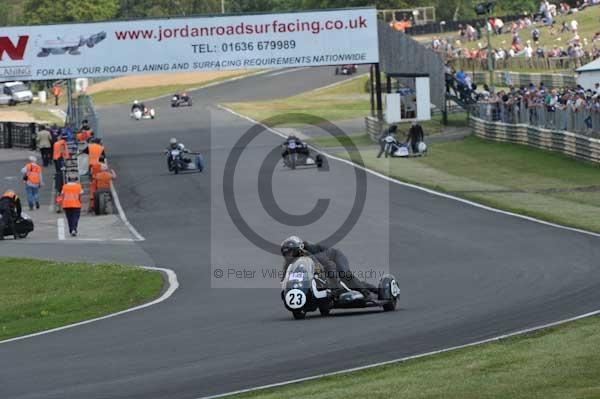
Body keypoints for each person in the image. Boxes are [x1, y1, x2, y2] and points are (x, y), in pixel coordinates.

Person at [280, 236, 378, 298]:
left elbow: (328, 265)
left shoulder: (312, 254)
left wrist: (336, 286)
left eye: (291, 252)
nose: (289, 256)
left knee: (344, 275)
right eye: (286, 254)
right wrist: (285, 288)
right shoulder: (289, 261)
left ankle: (365, 290)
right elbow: (285, 276)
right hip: (324, 262)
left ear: (299, 250)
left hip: (334, 257)